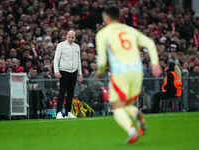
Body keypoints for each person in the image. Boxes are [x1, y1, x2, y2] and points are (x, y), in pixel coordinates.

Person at [95, 6, 161, 144]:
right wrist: (155, 63)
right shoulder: (130, 30)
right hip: (137, 70)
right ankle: (137, 114)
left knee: (116, 106)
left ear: (106, 18)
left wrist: (100, 71)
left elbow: (101, 61)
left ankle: (132, 132)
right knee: (126, 104)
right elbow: (150, 43)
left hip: (120, 71)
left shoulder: (102, 33)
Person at [54, 30, 83, 119]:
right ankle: (58, 112)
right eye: (69, 37)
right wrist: (56, 71)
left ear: (75, 37)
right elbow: (56, 59)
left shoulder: (77, 47)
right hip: (64, 71)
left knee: (71, 93)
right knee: (62, 92)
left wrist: (80, 73)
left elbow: (79, 61)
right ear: (66, 36)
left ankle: (68, 112)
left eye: (72, 37)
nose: (71, 38)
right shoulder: (61, 45)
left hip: (73, 72)